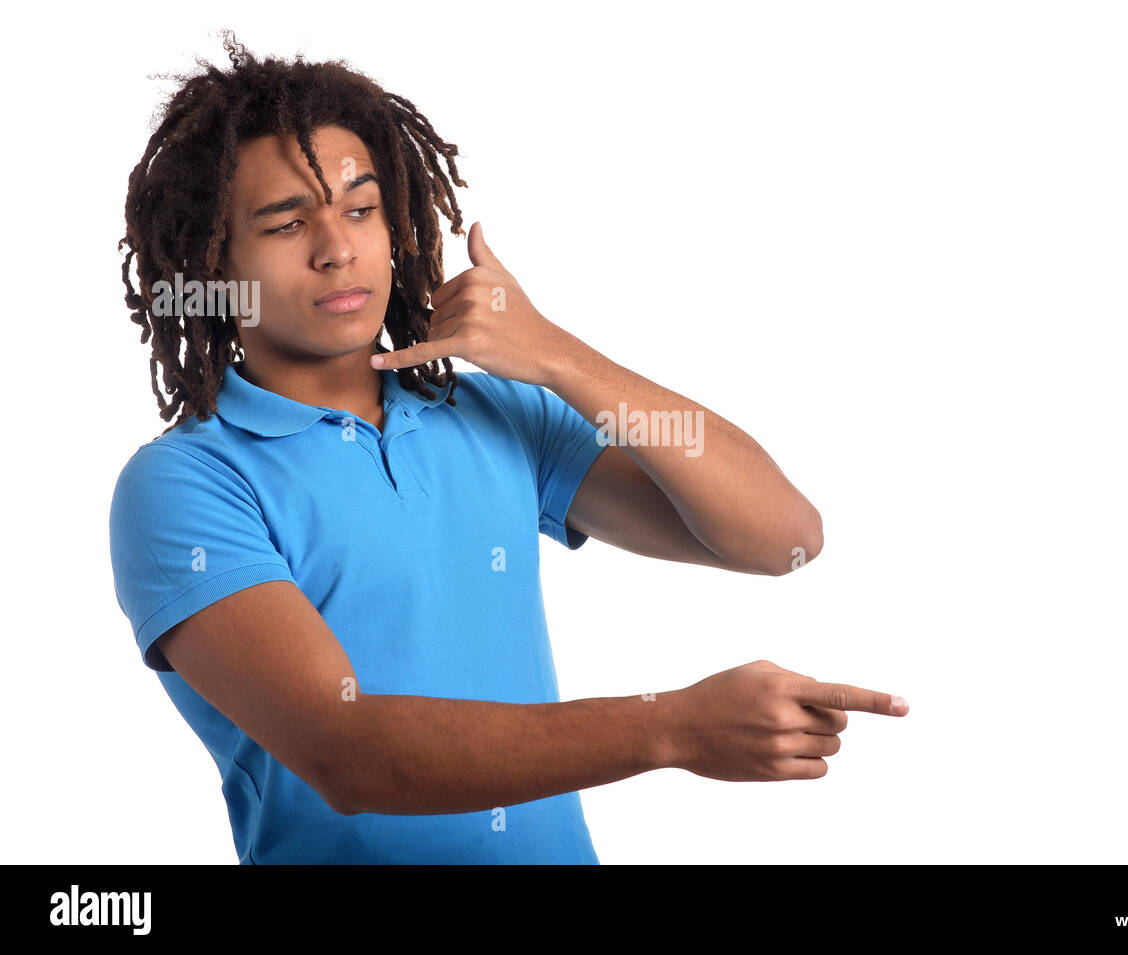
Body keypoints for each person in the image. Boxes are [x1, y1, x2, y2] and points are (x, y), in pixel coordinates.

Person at [109, 31, 907, 864]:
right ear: (211, 258)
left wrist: (556, 356)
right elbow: (345, 750)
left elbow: (784, 536)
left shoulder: (492, 412)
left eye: (360, 208)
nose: (337, 247)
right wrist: (671, 726)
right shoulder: (185, 484)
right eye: (285, 223)